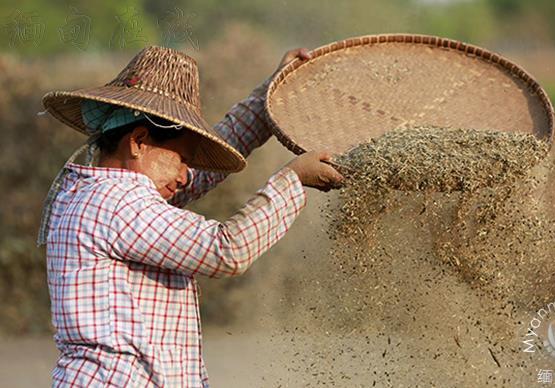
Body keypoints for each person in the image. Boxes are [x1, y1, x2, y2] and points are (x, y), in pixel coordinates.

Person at [38, 45, 344, 387]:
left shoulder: (94, 192)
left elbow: (201, 173)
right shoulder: (117, 203)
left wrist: (268, 95)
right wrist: (293, 180)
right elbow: (228, 249)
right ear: (138, 141)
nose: (186, 175)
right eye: (181, 159)